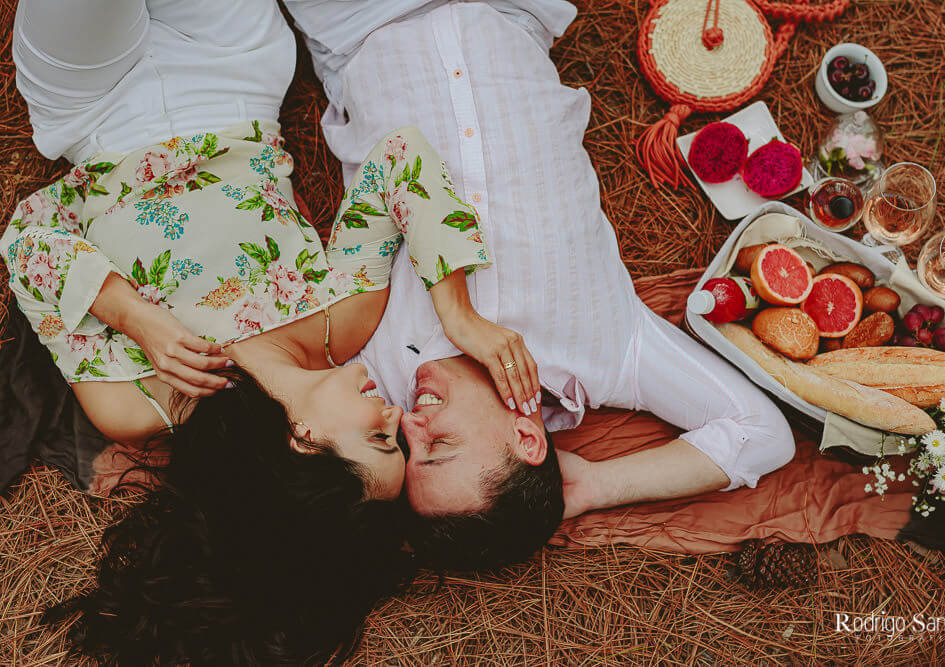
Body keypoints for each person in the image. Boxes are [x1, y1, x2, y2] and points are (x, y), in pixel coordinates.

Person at [4, 0, 539, 661]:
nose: (395, 411)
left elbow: (29, 239)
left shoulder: (139, 402)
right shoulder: (344, 321)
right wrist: (460, 313)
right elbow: (400, 160)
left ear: (304, 440)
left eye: (378, 436)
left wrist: (135, 317)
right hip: (234, 68)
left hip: (94, 108)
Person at [284, 0, 798, 569]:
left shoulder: (370, 375)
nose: (409, 423)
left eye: (410, 450)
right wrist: (597, 485)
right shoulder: (609, 353)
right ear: (527, 440)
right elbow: (762, 433)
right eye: (439, 446)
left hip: (362, 25)